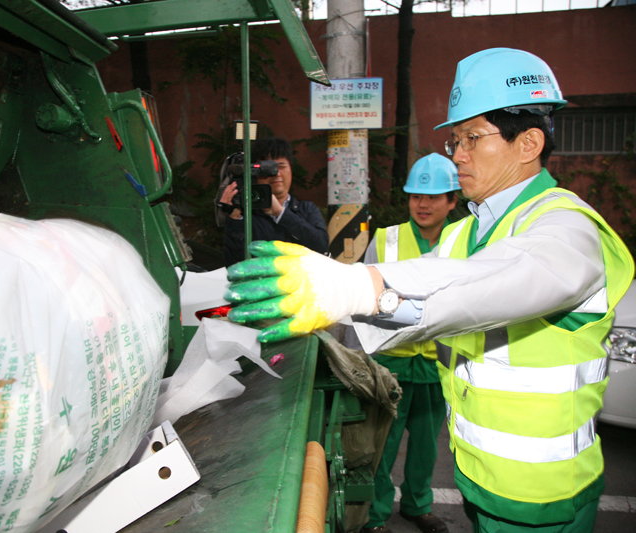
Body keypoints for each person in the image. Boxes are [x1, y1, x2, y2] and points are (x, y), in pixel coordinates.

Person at [224, 48, 634, 533]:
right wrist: (323, 321)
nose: (456, 154)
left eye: (471, 139)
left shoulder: (567, 226)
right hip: (480, 482)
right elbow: (421, 298)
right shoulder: (468, 233)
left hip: (545, 498)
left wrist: (353, 287)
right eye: (454, 140)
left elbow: (496, 283)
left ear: (527, 143)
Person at [355, 153, 460, 533]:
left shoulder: (464, 240)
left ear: (452, 200)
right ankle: (377, 514)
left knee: (426, 447)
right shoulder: (385, 239)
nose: (423, 204)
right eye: (416, 196)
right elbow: (365, 302)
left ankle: (418, 505)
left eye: (433, 197)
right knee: (381, 446)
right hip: (391, 364)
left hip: (437, 363)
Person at [220, 137, 328, 267]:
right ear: (254, 173)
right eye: (267, 168)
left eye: (281, 166)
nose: (276, 173)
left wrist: (280, 214)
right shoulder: (247, 214)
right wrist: (234, 219)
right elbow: (234, 264)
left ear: (291, 170)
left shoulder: (306, 209)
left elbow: (321, 246)